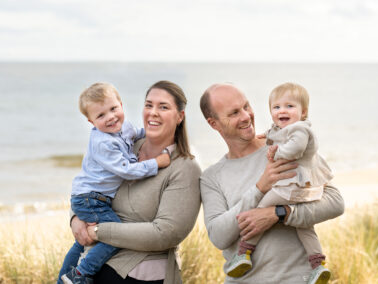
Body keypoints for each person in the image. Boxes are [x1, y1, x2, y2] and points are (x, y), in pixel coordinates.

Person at [199, 83, 344, 284]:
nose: (246, 116)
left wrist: (278, 214)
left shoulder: (288, 149)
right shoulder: (212, 176)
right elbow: (219, 236)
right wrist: (259, 188)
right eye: (234, 113)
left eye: (246, 106)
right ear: (213, 123)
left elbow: (335, 202)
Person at [59, 82, 172, 284]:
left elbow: (137, 133)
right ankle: (80, 274)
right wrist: (156, 162)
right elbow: (126, 171)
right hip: (90, 199)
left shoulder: (124, 127)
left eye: (113, 109)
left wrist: (157, 132)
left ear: (121, 104)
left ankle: (63, 279)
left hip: (92, 197)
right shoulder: (104, 143)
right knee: (114, 235)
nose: (111, 117)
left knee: (83, 241)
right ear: (90, 121)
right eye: (101, 115)